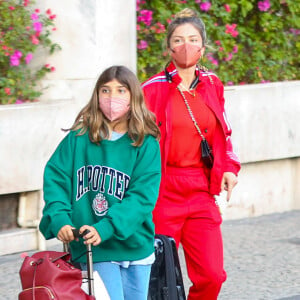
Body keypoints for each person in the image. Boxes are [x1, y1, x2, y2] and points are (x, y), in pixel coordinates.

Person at [142, 8, 241, 300]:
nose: (186, 46)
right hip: (162, 189)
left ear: (203, 46)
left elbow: (224, 132)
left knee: (212, 275)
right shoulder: (151, 90)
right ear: (169, 47)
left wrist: (229, 167)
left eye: (193, 39)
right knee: (159, 275)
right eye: (178, 40)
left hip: (199, 189)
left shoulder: (212, 84)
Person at [39, 65, 161, 300]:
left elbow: (142, 197)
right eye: (105, 91)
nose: (112, 98)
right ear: (96, 95)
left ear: (133, 96)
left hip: (136, 244)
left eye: (120, 91)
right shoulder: (78, 138)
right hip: (93, 246)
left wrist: (108, 227)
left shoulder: (145, 143)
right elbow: (56, 180)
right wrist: (60, 219)